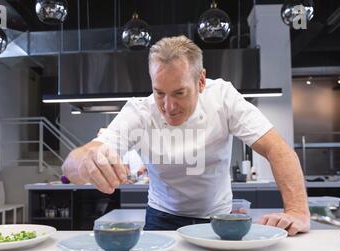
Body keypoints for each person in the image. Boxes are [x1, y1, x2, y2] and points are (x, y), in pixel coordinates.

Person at [62, 36, 310, 236]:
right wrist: (86, 161)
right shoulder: (140, 111)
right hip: (161, 217)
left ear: (200, 81)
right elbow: (73, 163)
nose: (168, 107)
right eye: (159, 93)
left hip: (218, 219)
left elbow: (277, 149)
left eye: (179, 93)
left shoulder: (222, 97)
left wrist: (297, 211)